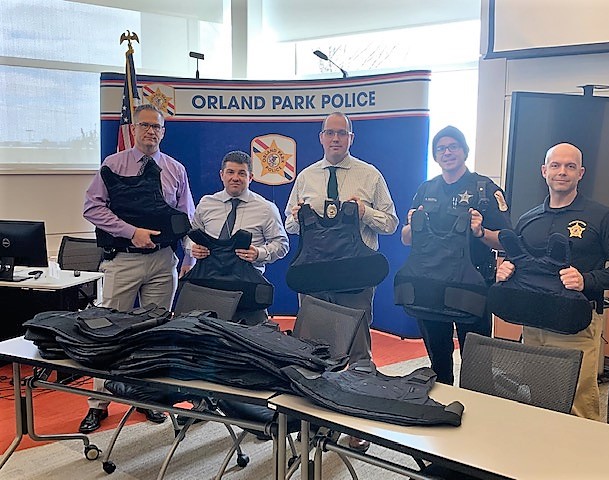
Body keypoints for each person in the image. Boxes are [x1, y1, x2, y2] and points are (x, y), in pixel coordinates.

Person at [496, 142, 609, 420]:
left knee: (576, 400)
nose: (562, 171)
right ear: (544, 171)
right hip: (534, 322)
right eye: (556, 165)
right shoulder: (528, 219)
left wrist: (587, 280)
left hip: (576, 323)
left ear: (580, 173)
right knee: (538, 395)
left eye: (570, 166)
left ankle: (582, 462)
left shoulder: (603, 217)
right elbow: (521, 263)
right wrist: (506, 272)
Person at [284, 111, 398, 452]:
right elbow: (291, 226)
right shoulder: (305, 177)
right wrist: (297, 216)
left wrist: (365, 213)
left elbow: (390, 223)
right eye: (330, 133)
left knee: (358, 351)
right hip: (315, 276)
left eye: (342, 133)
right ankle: (320, 421)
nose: (335, 139)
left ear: (351, 138)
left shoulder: (370, 175)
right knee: (316, 350)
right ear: (321, 137)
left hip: (355, 276)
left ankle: (358, 422)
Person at [80, 104, 196, 433]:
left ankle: (148, 399)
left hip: (163, 262)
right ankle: (98, 404)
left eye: (156, 127)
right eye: (144, 125)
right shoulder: (113, 165)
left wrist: (189, 257)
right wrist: (131, 232)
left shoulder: (175, 169)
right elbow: (91, 207)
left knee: (154, 334)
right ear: (134, 129)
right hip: (124, 260)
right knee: (107, 331)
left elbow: (185, 217)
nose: (150, 132)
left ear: (163, 132)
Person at [400, 125, 511, 386]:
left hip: (472, 286)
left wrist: (481, 231)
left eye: (453, 147)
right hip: (431, 286)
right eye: (441, 149)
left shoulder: (485, 189)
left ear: (464, 151)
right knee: (438, 365)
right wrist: (411, 225)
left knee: (477, 364)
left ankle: (478, 418)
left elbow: (507, 240)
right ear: (435, 156)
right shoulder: (426, 190)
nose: (447, 152)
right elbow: (406, 239)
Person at [186, 149, 289, 325]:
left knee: (254, 343)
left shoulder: (266, 208)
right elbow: (190, 237)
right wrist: (191, 248)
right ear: (222, 175)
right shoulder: (206, 204)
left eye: (242, 173)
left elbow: (282, 244)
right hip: (209, 286)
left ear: (251, 178)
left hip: (247, 288)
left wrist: (259, 253)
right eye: (230, 172)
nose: (235, 177)